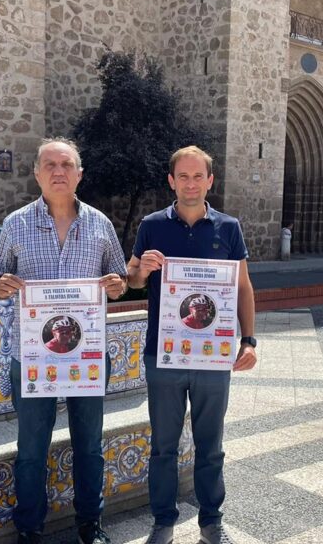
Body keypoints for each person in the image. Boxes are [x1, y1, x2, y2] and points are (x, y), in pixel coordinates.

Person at [0, 138, 128, 544]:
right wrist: (0, 285)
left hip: (86, 356)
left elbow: (119, 282)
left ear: (79, 173)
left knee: (89, 446)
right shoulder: (16, 224)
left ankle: (90, 523)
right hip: (31, 356)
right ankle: (29, 528)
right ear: (37, 173)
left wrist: (117, 285)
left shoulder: (100, 225)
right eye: (49, 164)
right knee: (31, 447)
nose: (58, 171)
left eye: (66, 164)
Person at [126, 146, 258, 544]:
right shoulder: (152, 225)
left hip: (212, 357)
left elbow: (242, 287)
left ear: (210, 181)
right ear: (171, 181)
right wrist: (141, 269)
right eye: (182, 176)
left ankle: (210, 521)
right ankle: (163, 521)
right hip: (163, 355)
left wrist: (248, 340)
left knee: (210, 445)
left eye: (198, 176)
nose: (190, 183)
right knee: (163, 445)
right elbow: (131, 280)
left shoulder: (229, 228)